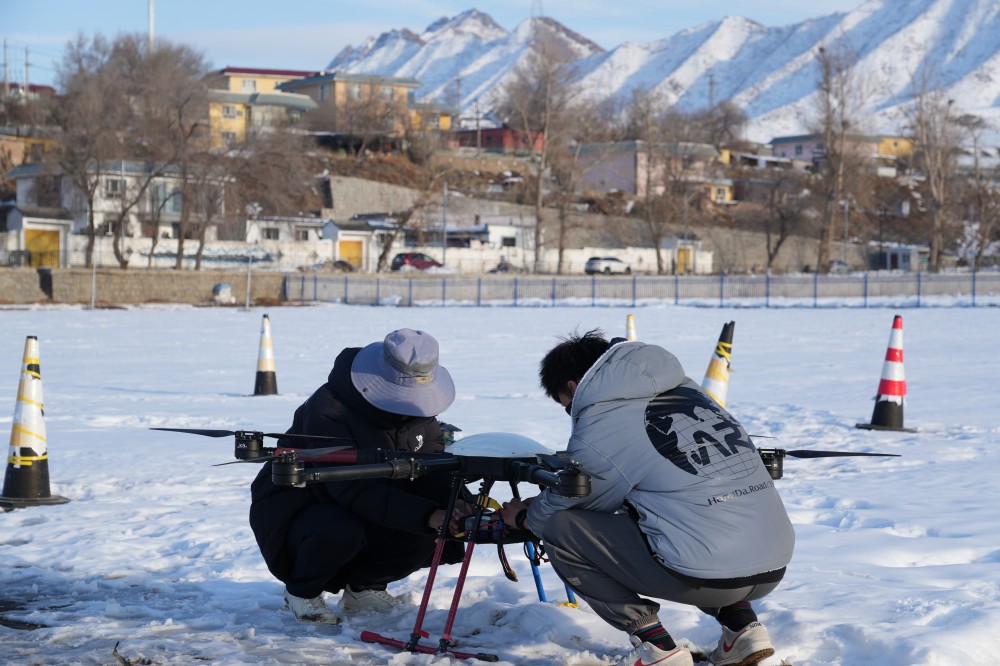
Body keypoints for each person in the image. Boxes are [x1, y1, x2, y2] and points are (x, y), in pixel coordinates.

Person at [500, 330, 795, 666]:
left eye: (565, 405)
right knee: (689, 516)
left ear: (571, 387)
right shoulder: (690, 392)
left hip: (706, 575)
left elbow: (578, 500)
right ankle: (743, 629)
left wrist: (526, 515)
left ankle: (656, 647)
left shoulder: (605, 417)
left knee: (558, 526)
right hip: (773, 563)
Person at [249, 328, 470, 624]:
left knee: (427, 527)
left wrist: (459, 506)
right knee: (340, 530)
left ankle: (365, 587)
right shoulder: (329, 410)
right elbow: (352, 489)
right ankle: (302, 592)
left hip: (372, 499)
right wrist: (430, 514)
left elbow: (433, 466)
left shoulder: (421, 413)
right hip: (303, 505)